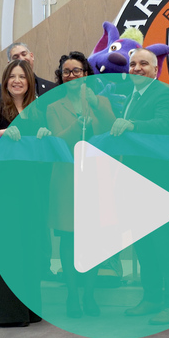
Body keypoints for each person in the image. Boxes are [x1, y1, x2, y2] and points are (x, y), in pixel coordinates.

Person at [0, 59, 47, 327]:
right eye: (12, 76)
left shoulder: (39, 111)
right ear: (5, 81)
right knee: (6, 246)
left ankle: (30, 309)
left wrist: (45, 135)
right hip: (2, 187)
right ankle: (9, 313)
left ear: (29, 81)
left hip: (32, 186)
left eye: (22, 76)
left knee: (31, 246)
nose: (17, 80)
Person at [119, 48, 169, 325]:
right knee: (144, 244)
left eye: (143, 64)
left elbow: (164, 124)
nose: (136, 68)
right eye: (132, 64)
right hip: (135, 182)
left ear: (155, 69)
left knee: (165, 243)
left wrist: (131, 124)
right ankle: (151, 298)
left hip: (160, 182)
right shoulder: (131, 98)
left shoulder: (164, 94)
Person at [46, 51, 115, 317]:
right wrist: (77, 124)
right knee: (69, 238)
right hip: (66, 179)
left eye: (77, 71)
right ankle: (72, 296)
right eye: (67, 71)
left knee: (93, 239)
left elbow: (111, 130)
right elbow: (58, 140)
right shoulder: (53, 106)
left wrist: (95, 106)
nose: (72, 75)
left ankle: (89, 295)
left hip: (95, 178)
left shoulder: (100, 101)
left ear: (86, 75)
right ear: (61, 77)